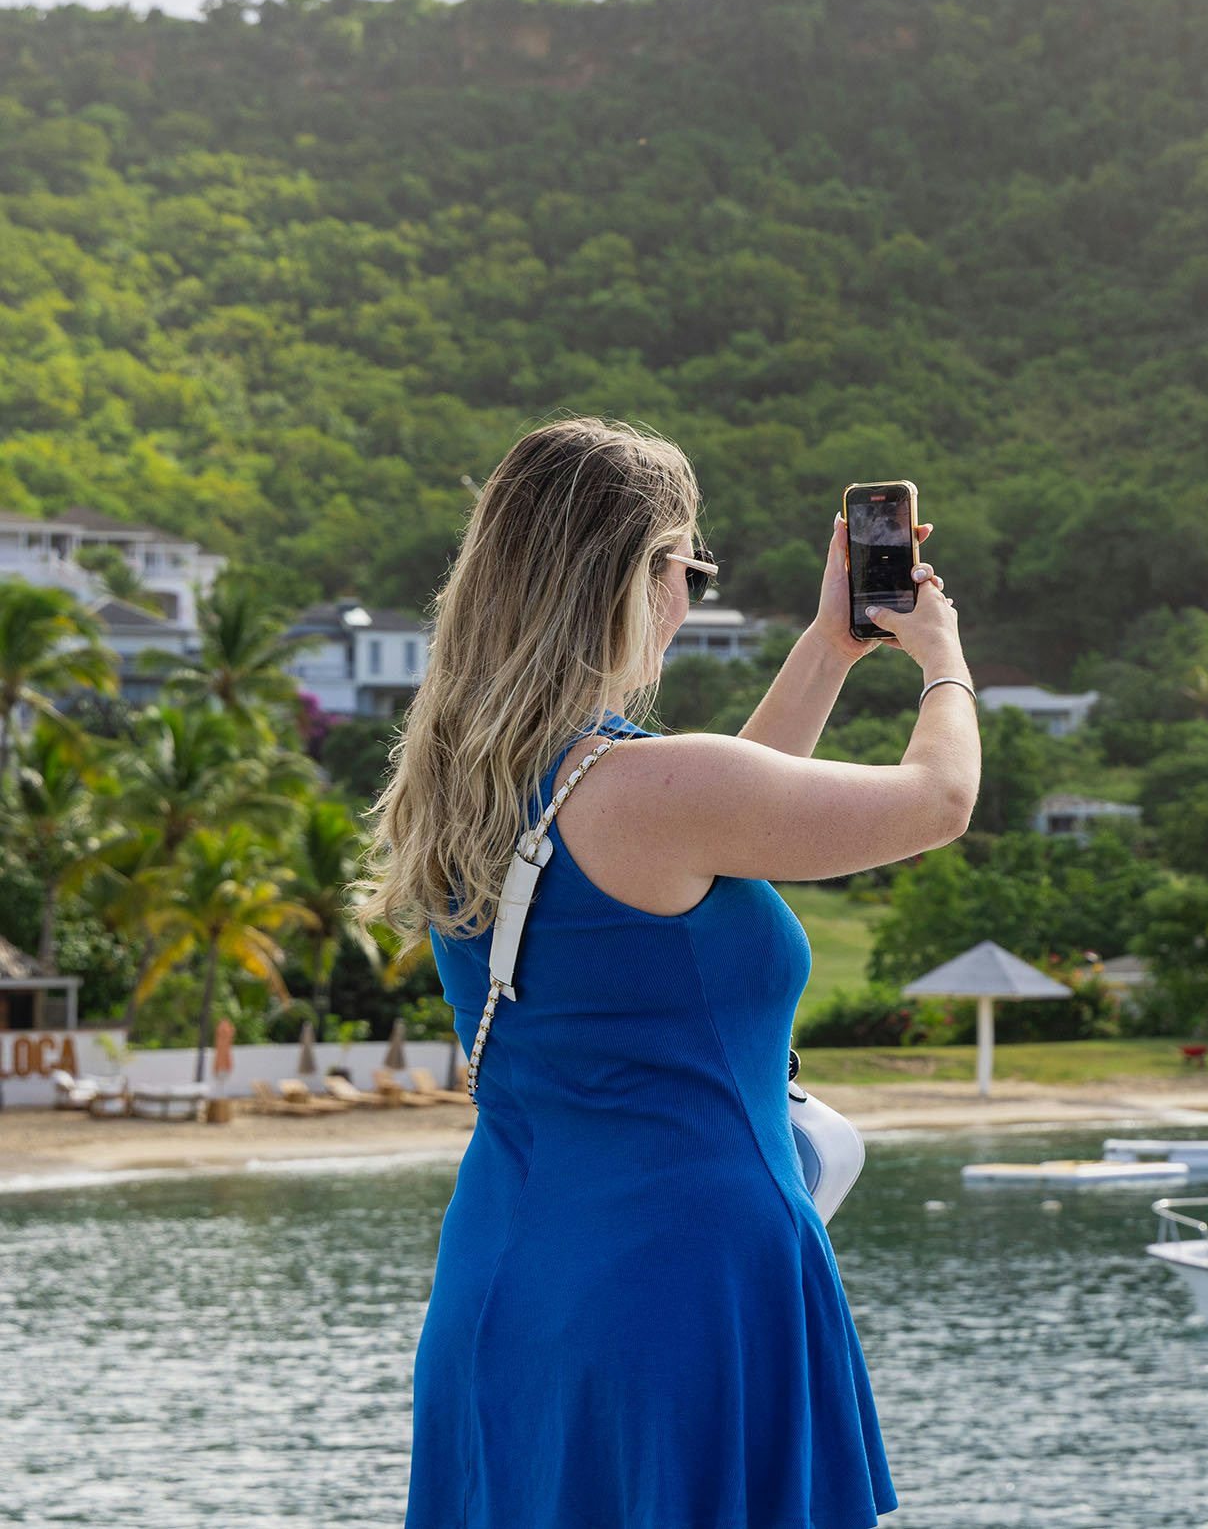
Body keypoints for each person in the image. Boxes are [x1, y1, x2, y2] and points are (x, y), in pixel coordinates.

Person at [363, 415, 978, 1529]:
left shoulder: (471, 786)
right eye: (690, 570)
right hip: (685, 1291)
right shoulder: (650, 792)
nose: (690, 599)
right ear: (636, 577)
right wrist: (942, 657)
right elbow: (938, 803)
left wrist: (829, 648)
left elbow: (729, 814)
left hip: (508, 1274)